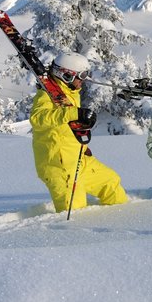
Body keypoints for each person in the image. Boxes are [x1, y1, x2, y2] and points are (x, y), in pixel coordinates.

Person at [30, 52, 128, 212]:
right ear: (66, 75)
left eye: (86, 74)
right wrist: (75, 113)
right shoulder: (45, 96)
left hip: (79, 159)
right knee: (75, 210)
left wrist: (82, 148)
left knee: (110, 182)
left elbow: (65, 128)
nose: (84, 79)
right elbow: (38, 118)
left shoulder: (70, 94)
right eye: (81, 75)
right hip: (59, 166)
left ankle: (122, 221)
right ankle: (77, 235)